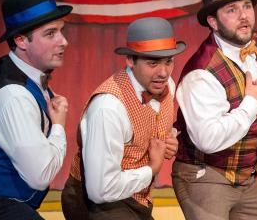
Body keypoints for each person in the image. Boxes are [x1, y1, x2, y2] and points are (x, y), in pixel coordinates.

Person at [171, 0, 257, 220]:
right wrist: (252, 103)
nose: (244, 16)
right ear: (213, 22)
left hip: (245, 176)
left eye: (247, 6)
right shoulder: (201, 73)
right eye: (232, 10)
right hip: (204, 175)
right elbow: (209, 140)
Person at [60, 17, 184, 219]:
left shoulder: (166, 84)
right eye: (152, 62)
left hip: (136, 195)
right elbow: (101, 190)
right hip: (97, 202)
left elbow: (155, 124)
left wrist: (169, 140)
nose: (163, 72)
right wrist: (152, 168)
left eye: (168, 61)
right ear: (130, 60)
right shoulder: (108, 108)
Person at [0, 0, 71, 219]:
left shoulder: (21, 71)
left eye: (61, 31)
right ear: (21, 40)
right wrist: (59, 127)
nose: (64, 41)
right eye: (50, 34)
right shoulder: (14, 95)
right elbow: (41, 175)